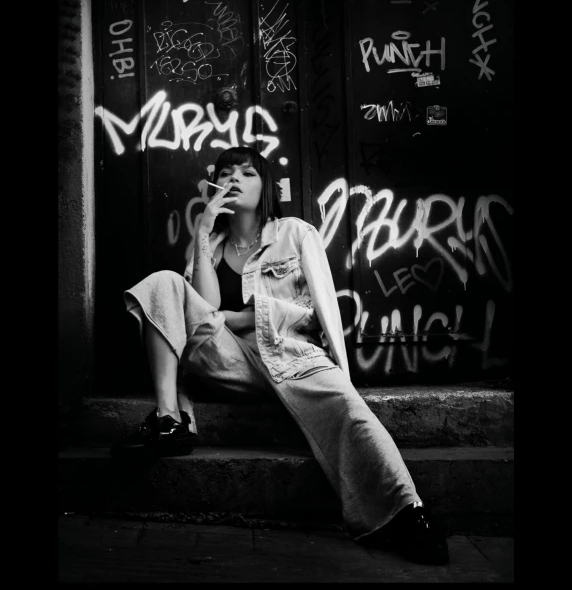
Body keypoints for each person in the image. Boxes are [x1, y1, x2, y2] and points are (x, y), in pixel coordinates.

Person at [112, 146, 449, 566]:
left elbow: (320, 307)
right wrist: (202, 231)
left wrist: (337, 372)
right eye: (226, 172)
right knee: (163, 282)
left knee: (349, 409)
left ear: (266, 186)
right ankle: (168, 420)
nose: (235, 178)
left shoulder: (295, 233)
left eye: (247, 173)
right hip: (227, 362)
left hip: (290, 354)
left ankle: (402, 512)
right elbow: (201, 310)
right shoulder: (211, 244)